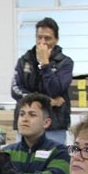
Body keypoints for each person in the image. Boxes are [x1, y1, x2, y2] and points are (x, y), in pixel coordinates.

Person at [11, 17, 74, 145]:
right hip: (26, 123)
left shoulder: (65, 63)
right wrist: (45, 101)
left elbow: (55, 89)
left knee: (53, 161)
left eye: (47, 38)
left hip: (54, 125)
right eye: (39, 37)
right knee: (23, 162)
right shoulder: (24, 60)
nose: (42, 42)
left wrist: (45, 64)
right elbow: (15, 90)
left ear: (56, 40)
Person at [2, 93, 71, 174]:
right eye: (22, 114)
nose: (25, 119)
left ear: (46, 123)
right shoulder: (6, 152)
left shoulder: (60, 151)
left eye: (32, 114)